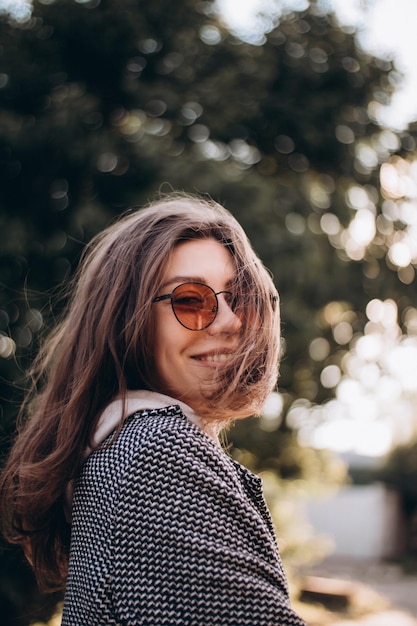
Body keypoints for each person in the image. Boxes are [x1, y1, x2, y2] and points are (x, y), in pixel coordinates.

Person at [0, 193, 306, 625]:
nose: (229, 321)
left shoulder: (119, 451)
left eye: (239, 298)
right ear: (128, 318)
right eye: (189, 300)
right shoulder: (157, 457)